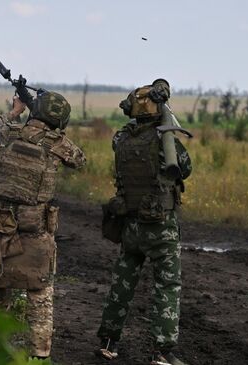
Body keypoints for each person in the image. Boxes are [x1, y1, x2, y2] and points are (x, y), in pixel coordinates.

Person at [0, 91, 86, 359]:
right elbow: (79, 159)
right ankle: (39, 357)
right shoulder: (57, 143)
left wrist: (15, 112)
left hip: (1, 229)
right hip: (37, 232)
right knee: (39, 297)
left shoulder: (10, 133)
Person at [96, 79, 192, 365]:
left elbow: (128, 133)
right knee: (167, 284)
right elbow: (184, 169)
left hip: (130, 226)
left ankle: (109, 342)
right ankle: (163, 352)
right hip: (161, 227)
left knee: (122, 283)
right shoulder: (166, 143)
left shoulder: (120, 140)